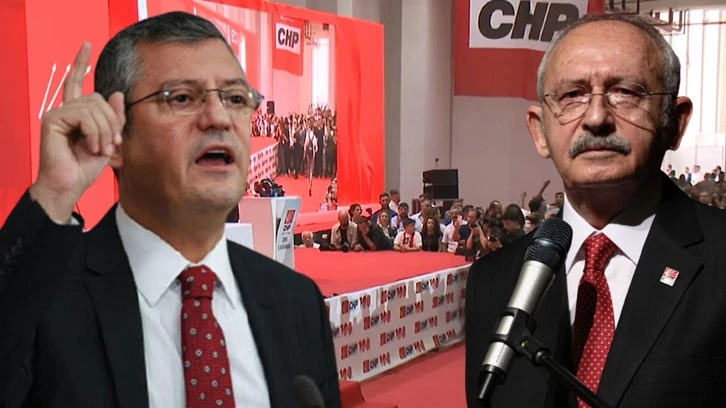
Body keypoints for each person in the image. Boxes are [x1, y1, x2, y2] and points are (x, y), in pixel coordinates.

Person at [0, 12, 339, 408]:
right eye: (181, 98)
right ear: (116, 135)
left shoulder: (296, 302)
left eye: (235, 98)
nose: (218, 118)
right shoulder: (41, 300)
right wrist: (54, 193)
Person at [465, 13, 726, 408]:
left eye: (626, 92)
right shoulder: (492, 281)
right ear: (540, 131)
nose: (597, 117)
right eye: (572, 95)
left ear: (674, 122)